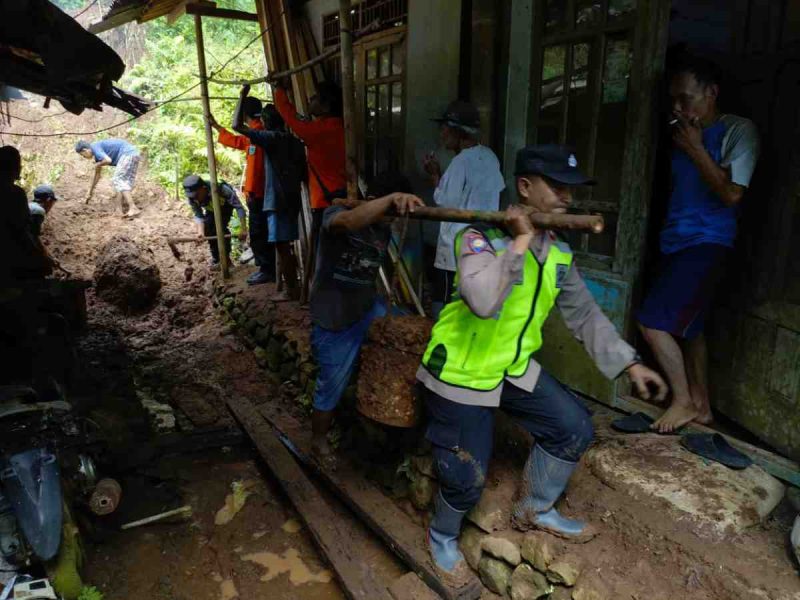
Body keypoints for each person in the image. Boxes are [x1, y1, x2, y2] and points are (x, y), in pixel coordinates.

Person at [417, 145, 667, 582]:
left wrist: (630, 365)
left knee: (573, 427)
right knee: (466, 476)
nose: (568, 197)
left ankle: (535, 507)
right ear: (525, 187)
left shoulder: (559, 254)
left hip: (510, 368)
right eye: (557, 186)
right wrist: (519, 241)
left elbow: (585, 315)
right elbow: (482, 302)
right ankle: (442, 534)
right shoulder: (479, 236)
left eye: (572, 188)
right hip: (460, 372)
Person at [637, 55, 760, 433]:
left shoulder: (737, 131)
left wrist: (695, 149)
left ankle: (683, 400)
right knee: (692, 329)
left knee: (651, 322)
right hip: (676, 241)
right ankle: (702, 406)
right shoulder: (679, 134)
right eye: (673, 99)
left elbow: (732, 194)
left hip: (707, 242)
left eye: (686, 98)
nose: (678, 107)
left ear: (712, 93)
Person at [309, 178, 423, 464]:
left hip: (366, 307)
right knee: (331, 384)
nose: (391, 217)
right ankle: (318, 440)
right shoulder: (335, 214)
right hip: (334, 316)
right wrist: (390, 198)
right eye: (389, 210)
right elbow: (348, 222)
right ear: (373, 201)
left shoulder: (383, 228)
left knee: (410, 331)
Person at [422, 100, 505, 319]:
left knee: (445, 306)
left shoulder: (461, 161)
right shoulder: (490, 157)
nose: (442, 134)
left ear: (459, 132)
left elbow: (446, 202)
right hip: (483, 245)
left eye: (445, 128)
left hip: (455, 247)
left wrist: (434, 176)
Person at [227, 85, 307, 299]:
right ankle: (293, 286)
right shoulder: (295, 142)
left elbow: (236, 126)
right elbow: (303, 174)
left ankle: (291, 290)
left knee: (282, 246)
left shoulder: (271, 139)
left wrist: (242, 95)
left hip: (277, 200)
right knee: (285, 245)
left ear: (267, 122)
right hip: (292, 198)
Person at [210, 91, 274, 286]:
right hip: (257, 194)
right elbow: (236, 140)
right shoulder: (254, 134)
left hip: (260, 194)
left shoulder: (260, 133)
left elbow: (237, 131)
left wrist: (241, 97)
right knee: (260, 233)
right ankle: (266, 268)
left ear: (245, 114)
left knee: (260, 233)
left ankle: (267, 270)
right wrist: (216, 126)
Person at [272, 80, 346, 243]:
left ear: (326, 107)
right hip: (339, 195)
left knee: (324, 251)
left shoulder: (321, 131)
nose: (311, 99)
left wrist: (279, 90)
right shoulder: (338, 126)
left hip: (325, 201)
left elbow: (291, 118)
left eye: (316, 97)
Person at [0, 146, 52, 284]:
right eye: (19, 164)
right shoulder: (14, 193)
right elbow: (22, 232)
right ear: (15, 168)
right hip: (9, 258)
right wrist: (42, 259)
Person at [182, 174, 247, 268]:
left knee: (220, 229)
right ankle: (217, 259)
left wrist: (243, 228)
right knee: (208, 229)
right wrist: (200, 233)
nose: (194, 198)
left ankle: (226, 259)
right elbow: (198, 215)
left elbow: (239, 207)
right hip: (211, 210)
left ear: (203, 188)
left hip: (225, 207)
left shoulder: (221, 189)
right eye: (192, 196)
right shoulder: (192, 198)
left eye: (196, 195)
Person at [75, 138, 142, 217]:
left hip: (127, 154)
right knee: (120, 182)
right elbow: (97, 175)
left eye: (83, 155)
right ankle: (118, 210)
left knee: (117, 179)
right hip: (133, 154)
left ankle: (133, 208)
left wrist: (97, 164)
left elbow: (108, 160)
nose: (84, 157)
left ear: (85, 150)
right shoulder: (97, 154)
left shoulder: (95, 148)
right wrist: (90, 191)